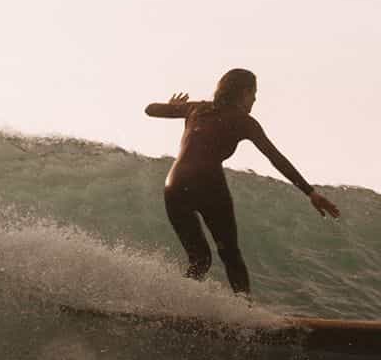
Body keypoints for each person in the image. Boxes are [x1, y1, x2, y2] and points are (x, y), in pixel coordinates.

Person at [145, 68, 340, 292]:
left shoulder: (196, 108)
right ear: (244, 92)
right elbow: (275, 157)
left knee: (200, 260)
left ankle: (175, 302)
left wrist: (173, 107)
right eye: (254, 94)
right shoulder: (244, 121)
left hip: (175, 184)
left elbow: (150, 109)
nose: (255, 100)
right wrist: (310, 192)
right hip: (207, 183)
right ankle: (245, 314)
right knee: (230, 255)